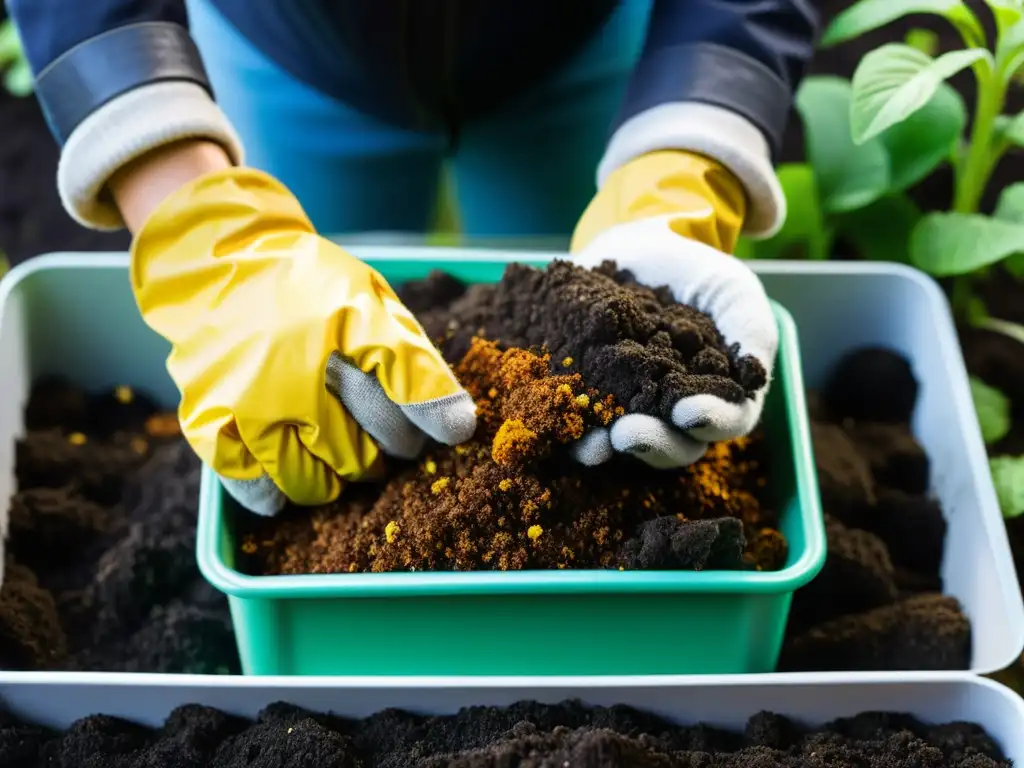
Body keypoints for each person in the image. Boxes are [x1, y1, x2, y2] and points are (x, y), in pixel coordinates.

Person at [7, 0, 817, 516]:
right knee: (308, 381)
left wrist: (681, 160)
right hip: (295, 40)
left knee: (569, 294)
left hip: (578, 39)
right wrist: (195, 218)